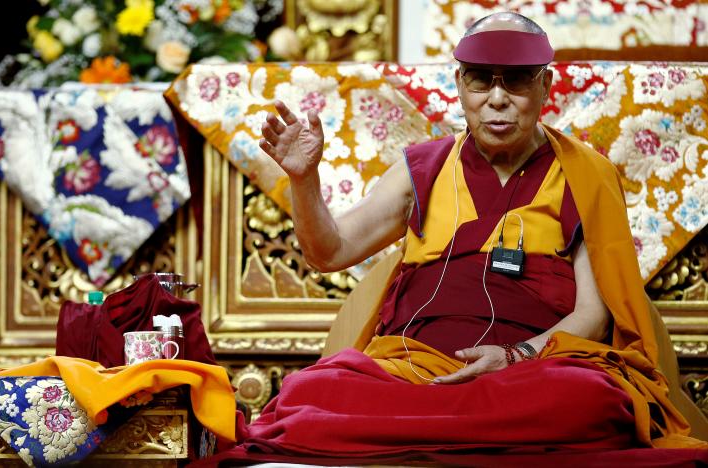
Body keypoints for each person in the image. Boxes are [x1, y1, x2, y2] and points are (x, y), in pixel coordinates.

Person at [214, 12, 708, 465]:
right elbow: (330, 251)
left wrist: (514, 357)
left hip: (529, 371)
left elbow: (593, 315)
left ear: (545, 86)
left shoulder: (585, 175)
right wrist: (304, 182)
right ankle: (455, 425)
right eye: (480, 80)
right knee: (309, 393)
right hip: (415, 369)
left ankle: (414, 430)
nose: (497, 98)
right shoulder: (423, 168)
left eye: (515, 81)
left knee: (593, 400)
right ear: (458, 84)